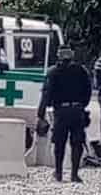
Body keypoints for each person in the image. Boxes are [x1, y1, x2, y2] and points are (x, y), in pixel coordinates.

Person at [38, 46, 92, 183]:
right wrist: (82, 106)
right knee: (77, 143)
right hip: (77, 110)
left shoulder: (53, 72)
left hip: (61, 112)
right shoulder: (81, 71)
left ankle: (59, 172)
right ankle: (74, 174)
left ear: (58, 56)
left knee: (59, 143)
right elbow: (88, 91)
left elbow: (46, 95)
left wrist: (41, 115)